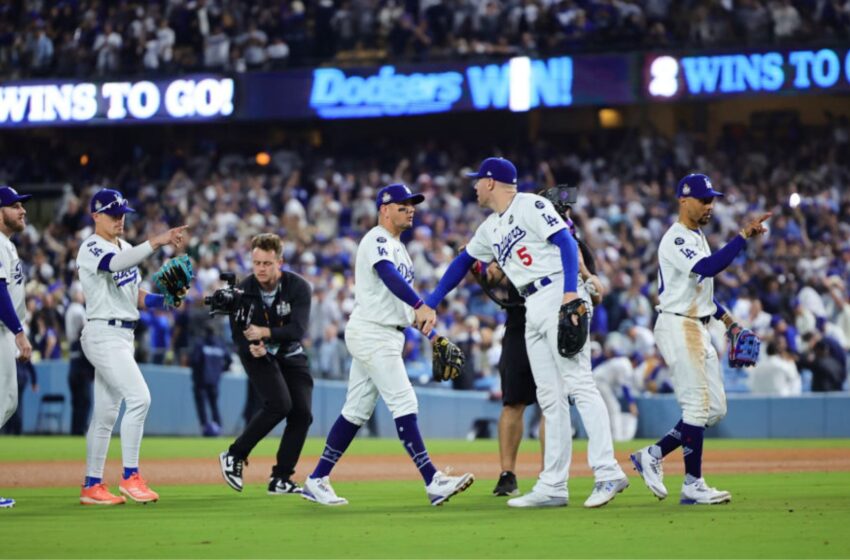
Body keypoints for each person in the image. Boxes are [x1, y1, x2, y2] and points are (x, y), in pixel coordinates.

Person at [419, 158, 628, 508]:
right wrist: (431, 302)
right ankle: (553, 485)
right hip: (531, 304)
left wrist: (570, 292)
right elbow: (460, 264)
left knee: (579, 384)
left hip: (557, 294)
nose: (473, 187)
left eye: (477, 180)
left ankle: (608, 471)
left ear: (490, 182)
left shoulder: (531, 204)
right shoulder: (490, 227)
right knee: (549, 397)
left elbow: (565, 241)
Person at [301, 183, 474, 507]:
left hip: (386, 331)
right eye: (402, 204)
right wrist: (421, 302)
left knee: (356, 411)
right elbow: (388, 276)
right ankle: (433, 480)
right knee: (404, 401)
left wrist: (432, 334)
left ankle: (317, 478)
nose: (410, 208)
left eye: (412, 204)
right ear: (384, 208)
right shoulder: (376, 239)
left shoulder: (400, 247)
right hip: (372, 333)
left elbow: (403, 307)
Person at [629, 173, 769, 505]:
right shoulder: (676, 238)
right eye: (704, 199)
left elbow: (699, 291)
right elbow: (707, 268)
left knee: (714, 409)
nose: (710, 205)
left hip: (698, 325)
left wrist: (729, 321)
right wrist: (742, 236)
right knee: (696, 407)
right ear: (683, 200)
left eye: (712, 199)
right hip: (678, 325)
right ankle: (693, 483)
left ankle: (653, 453)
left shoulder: (697, 235)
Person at [484, 183, 604, 497]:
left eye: (565, 210)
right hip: (520, 320)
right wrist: (479, 268)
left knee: (556, 399)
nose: (564, 213)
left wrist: (585, 285)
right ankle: (509, 473)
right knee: (514, 400)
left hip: (557, 313)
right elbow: (492, 274)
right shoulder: (517, 226)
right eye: (560, 208)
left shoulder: (572, 243)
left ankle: (550, 476)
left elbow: (595, 287)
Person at [77, 188, 188, 506]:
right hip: (103, 334)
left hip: (123, 335)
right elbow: (113, 265)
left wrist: (162, 300)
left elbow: (133, 293)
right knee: (139, 398)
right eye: (113, 213)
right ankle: (130, 477)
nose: (120, 218)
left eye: (123, 213)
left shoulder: (124, 245)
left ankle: (92, 485)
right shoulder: (91, 248)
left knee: (105, 415)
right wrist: (157, 241)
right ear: (96, 216)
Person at [218, 233, 314, 496]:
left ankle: (281, 478)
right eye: (256, 262)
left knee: (302, 414)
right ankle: (235, 454)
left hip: (291, 352)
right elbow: (238, 332)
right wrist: (253, 346)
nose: (260, 268)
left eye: (267, 263)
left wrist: (265, 333)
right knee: (280, 404)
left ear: (279, 262)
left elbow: (298, 329)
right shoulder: (243, 290)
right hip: (257, 354)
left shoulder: (299, 287)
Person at [0, 186, 34, 509]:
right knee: (3, 402)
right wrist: (19, 333)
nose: (22, 210)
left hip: (4, 333)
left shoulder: (6, 245)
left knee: (6, 403)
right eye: (15, 205)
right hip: (1, 333)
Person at [190, 323, 231, 436]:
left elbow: (194, 361)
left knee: (202, 406)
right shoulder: (220, 344)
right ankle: (218, 427)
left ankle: (205, 428)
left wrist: (198, 373)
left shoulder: (200, 343)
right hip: (214, 381)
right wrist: (220, 370)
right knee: (214, 405)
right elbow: (229, 360)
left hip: (201, 381)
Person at [66, 283, 95, 436]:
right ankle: (80, 430)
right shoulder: (77, 310)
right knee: (85, 400)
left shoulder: (69, 309)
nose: (83, 295)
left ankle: (75, 430)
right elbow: (84, 333)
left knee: (77, 402)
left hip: (73, 359)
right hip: (81, 361)